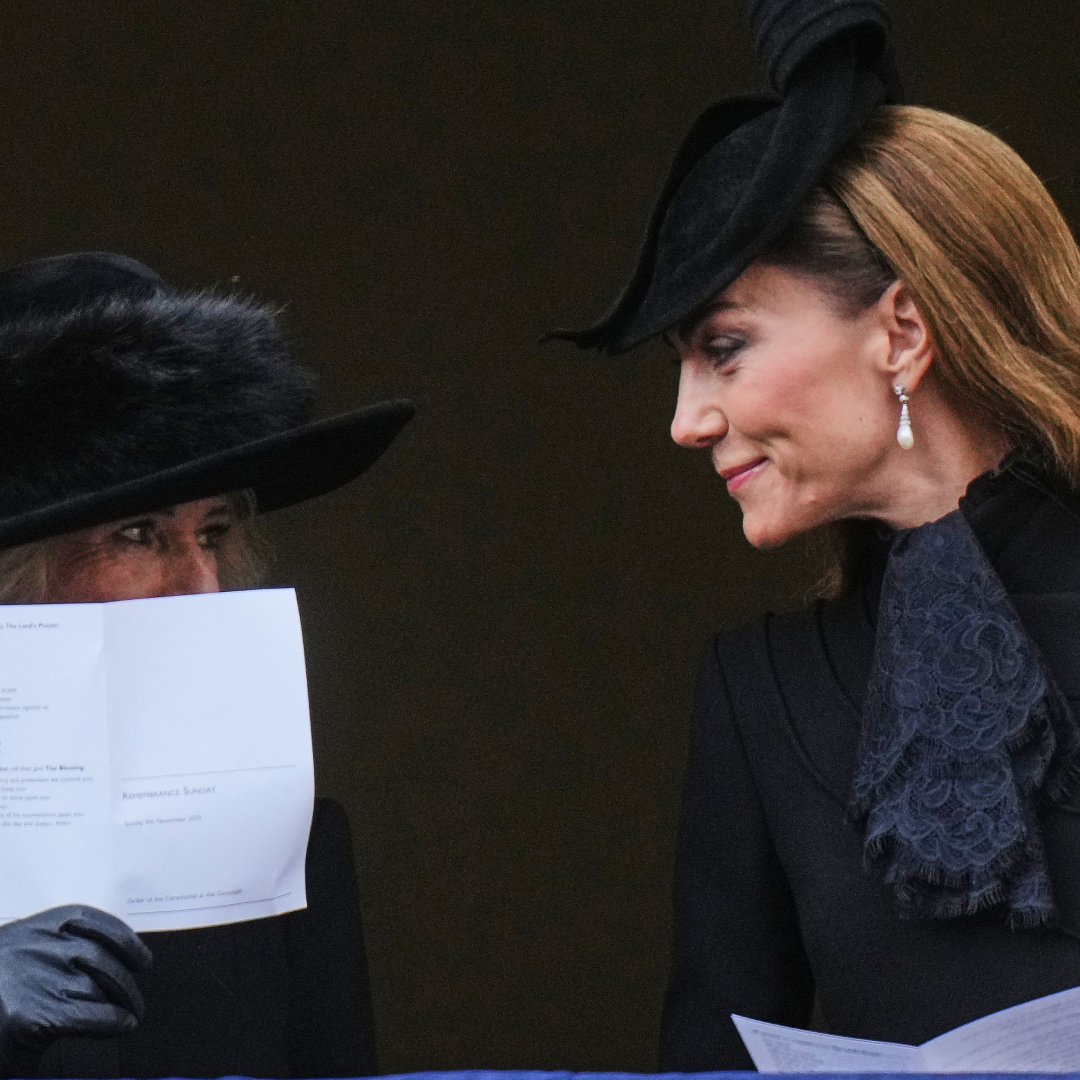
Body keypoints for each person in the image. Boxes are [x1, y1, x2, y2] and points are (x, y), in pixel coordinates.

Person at [552, 0, 1080, 1069]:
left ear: (902, 331)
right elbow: (711, 1054)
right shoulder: (759, 690)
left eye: (726, 348)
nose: (687, 420)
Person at [0, 252, 414, 1078]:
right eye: (139, 535)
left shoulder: (288, 847)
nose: (203, 583)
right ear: (21, 572)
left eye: (215, 533)